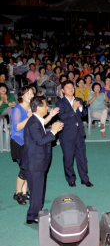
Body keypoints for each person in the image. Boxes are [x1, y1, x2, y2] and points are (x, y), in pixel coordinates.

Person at [21, 96, 63, 224]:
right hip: (35, 163)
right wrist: (53, 132)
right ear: (38, 107)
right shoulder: (34, 123)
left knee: (38, 190)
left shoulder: (36, 120)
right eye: (45, 106)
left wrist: (52, 124)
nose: (47, 107)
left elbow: (41, 129)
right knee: (37, 191)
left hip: (37, 162)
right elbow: (40, 141)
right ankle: (33, 215)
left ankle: (36, 212)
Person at [57, 80, 93, 187]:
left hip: (79, 133)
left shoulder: (79, 99)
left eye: (72, 87)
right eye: (68, 87)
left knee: (82, 157)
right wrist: (73, 109)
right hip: (67, 134)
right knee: (68, 157)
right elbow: (62, 116)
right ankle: (71, 179)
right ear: (63, 90)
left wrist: (81, 107)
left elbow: (84, 114)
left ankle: (84, 178)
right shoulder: (60, 103)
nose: (71, 89)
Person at [10, 86, 35, 205]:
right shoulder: (17, 109)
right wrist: (29, 117)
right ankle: (18, 193)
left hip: (29, 142)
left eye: (31, 93)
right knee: (24, 170)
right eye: (27, 93)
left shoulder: (32, 108)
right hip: (19, 142)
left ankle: (24, 192)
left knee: (28, 169)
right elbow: (16, 127)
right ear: (22, 95)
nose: (30, 95)